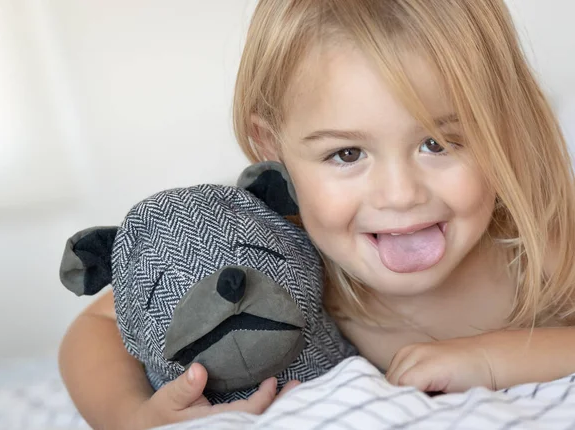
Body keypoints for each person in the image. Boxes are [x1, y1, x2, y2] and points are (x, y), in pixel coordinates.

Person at [59, 0, 575, 428]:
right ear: (272, 149)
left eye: (438, 143)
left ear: (502, 127)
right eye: (346, 154)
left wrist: (491, 357)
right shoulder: (276, 248)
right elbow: (97, 328)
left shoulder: (532, 238)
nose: (399, 195)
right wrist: (128, 417)